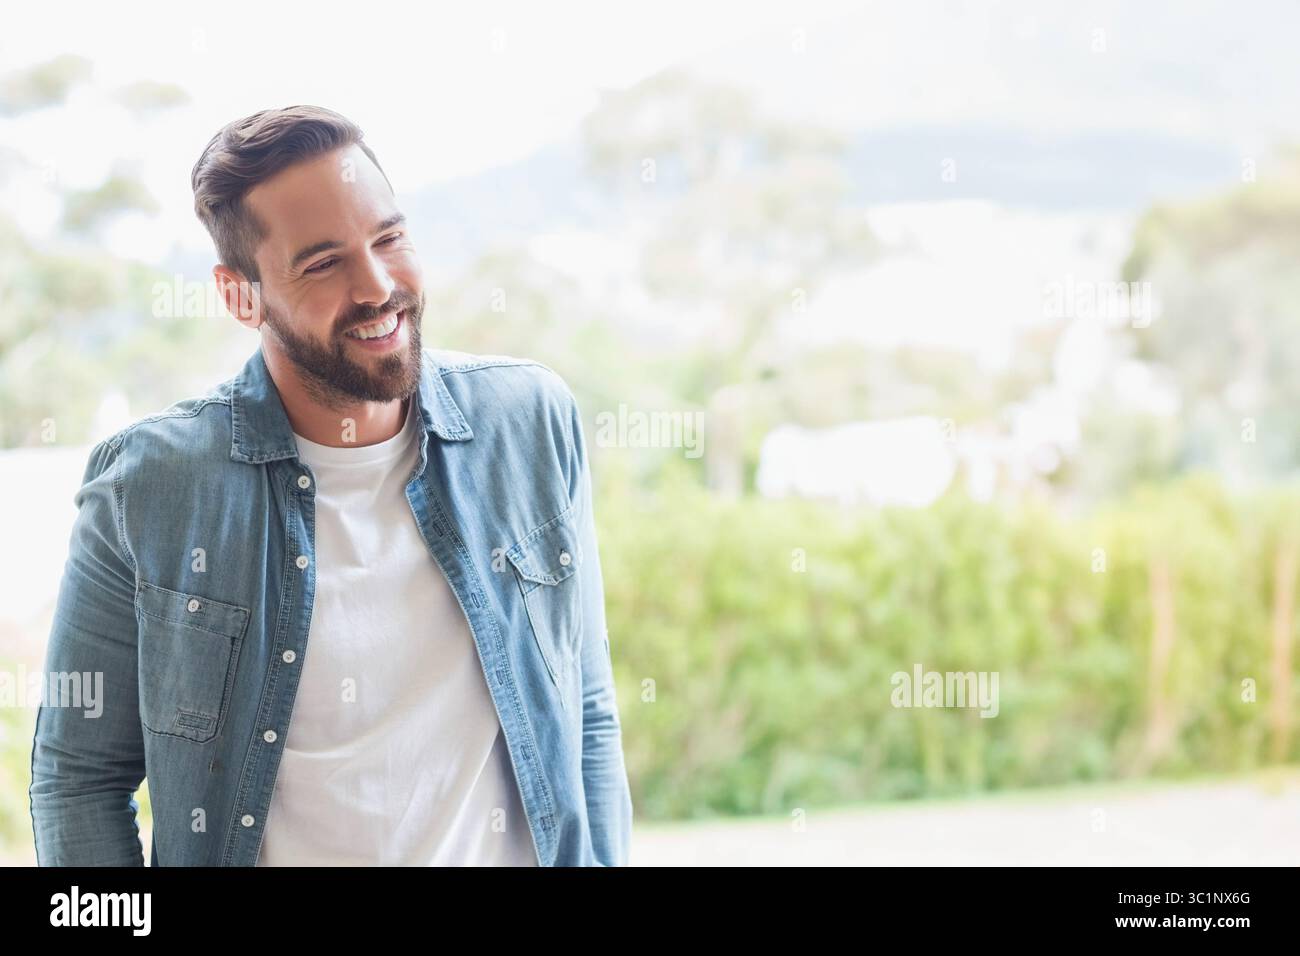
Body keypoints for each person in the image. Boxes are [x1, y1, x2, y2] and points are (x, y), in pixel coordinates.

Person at [29, 105, 633, 866]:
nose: (378, 286)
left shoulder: (529, 422)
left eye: (389, 238)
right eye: (323, 264)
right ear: (240, 295)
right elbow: (77, 780)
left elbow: (586, 711)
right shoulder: (148, 487)